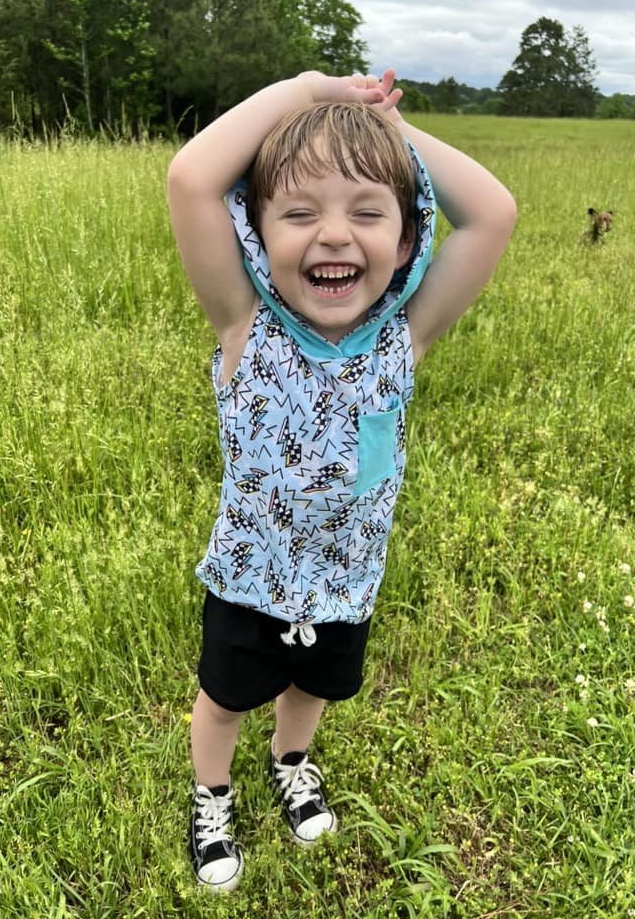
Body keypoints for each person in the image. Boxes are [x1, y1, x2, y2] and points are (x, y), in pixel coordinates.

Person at [167, 68, 516, 892]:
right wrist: (312, 91)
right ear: (254, 234)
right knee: (224, 698)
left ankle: (293, 762)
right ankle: (210, 792)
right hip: (249, 582)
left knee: (312, 688)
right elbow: (191, 177)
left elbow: (492, 213)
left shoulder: (405, 338)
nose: (333, 235)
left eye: (367, 213)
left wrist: (385, 132)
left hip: (347, 583)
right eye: (298, 213)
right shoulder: (244, 326)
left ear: (405, 243)